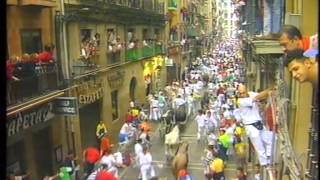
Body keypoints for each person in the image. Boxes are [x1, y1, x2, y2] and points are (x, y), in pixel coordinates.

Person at [234, 84, 274, 167]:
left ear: (247, 90)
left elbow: (261, 96)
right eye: (240, 93)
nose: (242, 95)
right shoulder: (239, 101)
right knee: (260, 147)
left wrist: (269, 93)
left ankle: (269, 158)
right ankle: (264, 163)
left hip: (258, 123)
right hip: (250, 126)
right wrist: (270, 89)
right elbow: (258, 97)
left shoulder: (251, 94)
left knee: (270, 140)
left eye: (243, 93)